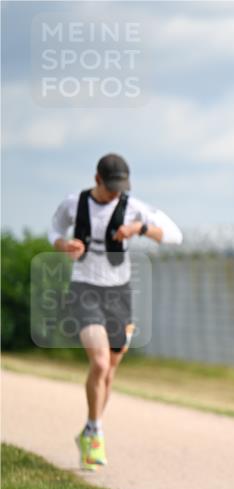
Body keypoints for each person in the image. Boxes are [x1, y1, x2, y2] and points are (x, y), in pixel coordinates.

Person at [49, 153, 183, 471]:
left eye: (120, 188)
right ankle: (96, 434)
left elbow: (175, 236)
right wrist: (64, 246)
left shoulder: (134, 207)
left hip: (119, 294)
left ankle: (89, 429)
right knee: (98, 361)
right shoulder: (74, 203)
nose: (115, 194)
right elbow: (54, 230)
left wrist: (140, 228)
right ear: (97, 179)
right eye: (110, 188)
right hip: (85, 288)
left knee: (109, 370)